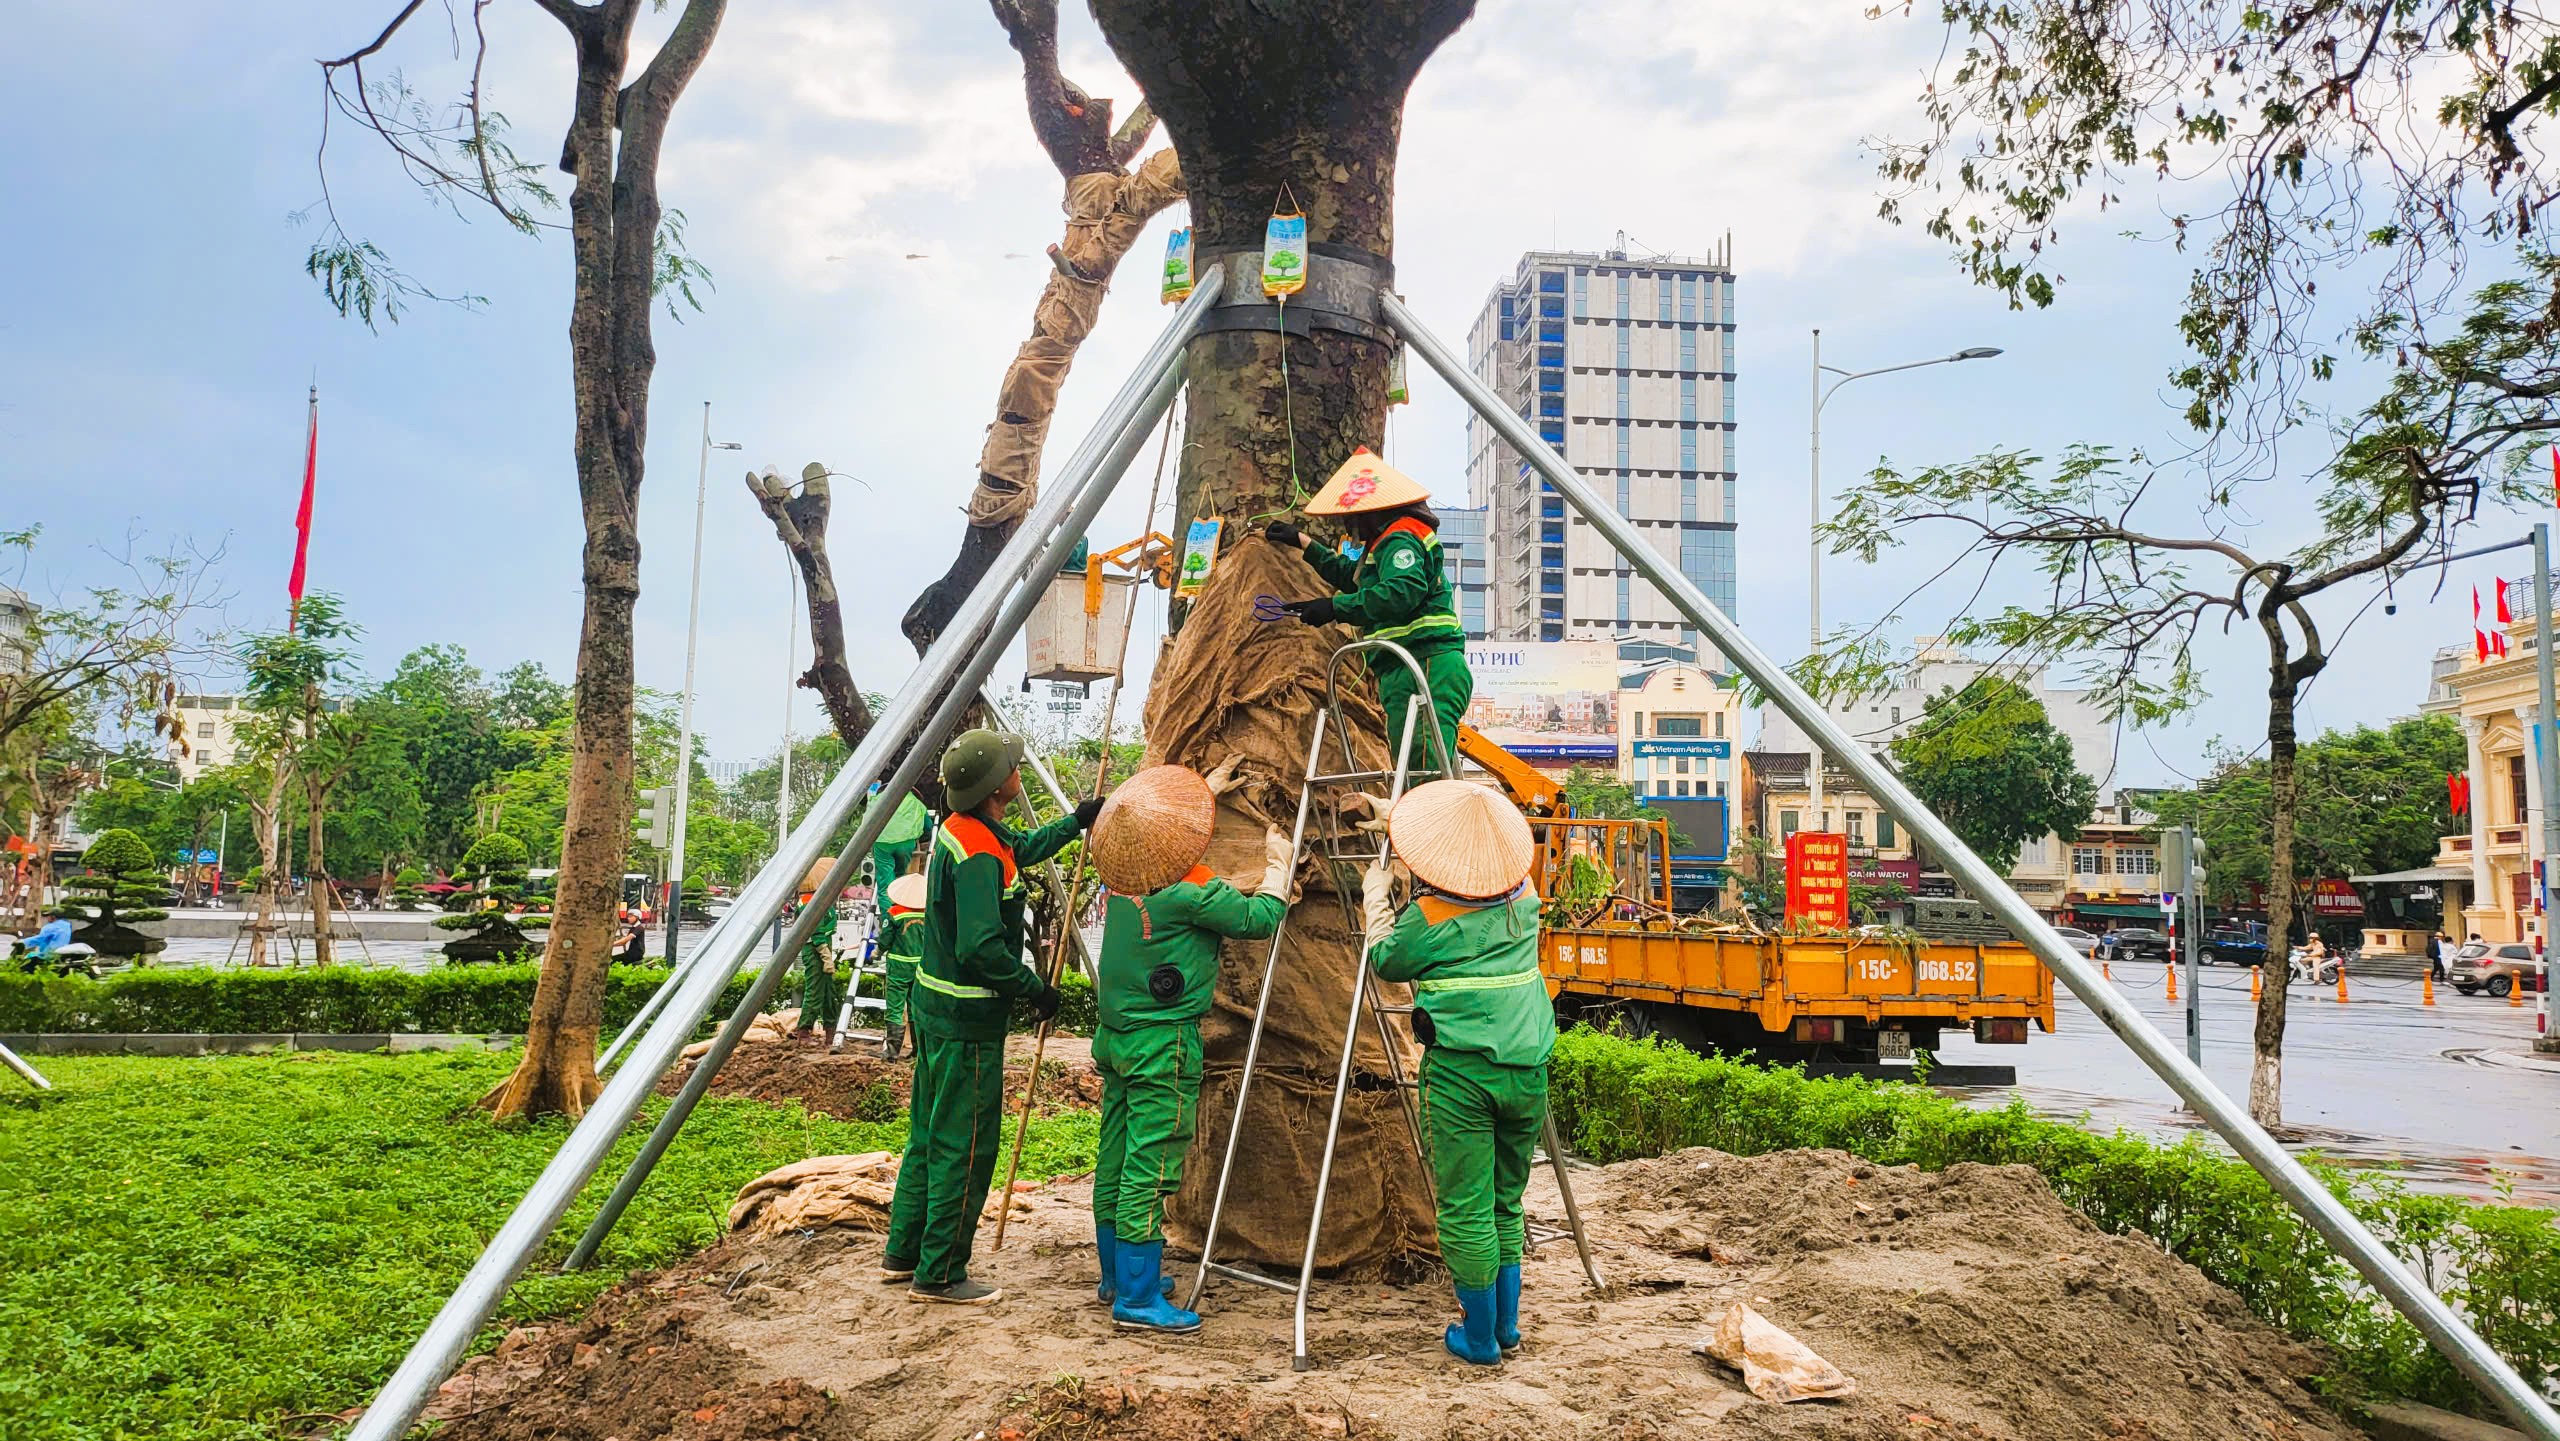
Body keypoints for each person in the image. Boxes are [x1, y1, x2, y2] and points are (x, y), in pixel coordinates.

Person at [882, 729, 1102, 1306]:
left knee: (927, 1135)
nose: (1018, 770)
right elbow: (982, 946)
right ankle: (942, 1273)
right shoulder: (977, 850)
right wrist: (1035, 989)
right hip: (966, 1020)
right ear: (992, 785)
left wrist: (1075, 822)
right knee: (966, 1143)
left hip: (932, 1008)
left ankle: (903, 1254)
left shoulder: (967, 831)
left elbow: (1020, 850)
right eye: (1012, 766)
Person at [1082, 763, 1293, 1334]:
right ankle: (1138, 1299)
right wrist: (1279, 862)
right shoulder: (1192, 891)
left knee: (1117, 1156)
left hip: (1118, 1040)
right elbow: (1259, 917)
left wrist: (1202, 791)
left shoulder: (1121, 882)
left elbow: (1158, 833)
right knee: (1150, 1167)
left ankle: (1117, 1277)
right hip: (1162, 1047)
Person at [1360, 779, 1551, 1366]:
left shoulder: (1428, 917)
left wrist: (1375, 897)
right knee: (1505, 1203)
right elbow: (1488, 871)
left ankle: (1477, 1338)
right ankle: (1507, 1329)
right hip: (1529, 1069)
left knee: (1465, 1207)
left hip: (1464, 1077)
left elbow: (1386, 959)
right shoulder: (1524, 897)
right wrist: (1399, 820)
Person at [1266, 449, 1472, 773]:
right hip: (1406, 666)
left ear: (1370, 512)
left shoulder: (1400, 537)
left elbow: (1400, 591)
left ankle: (1424, 824)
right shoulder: (1385, 546)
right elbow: (1357, 578)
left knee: (1422, 768)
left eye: (1351, 518)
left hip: (1424, 663)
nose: (1348, 528)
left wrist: (1335, 607)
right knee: (1413, 765)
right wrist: (1306, 544)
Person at [791, 861, 845, 1042]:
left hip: (823, 946)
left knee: (829, 990)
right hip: (815, 949)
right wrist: (825, 955)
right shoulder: (809, 902)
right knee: (815, 990)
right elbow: (817, 932)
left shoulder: (819, 899)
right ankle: (804, 1029)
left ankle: (831, 1028)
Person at [880, 872, 926, 1060]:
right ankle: (918, 1050)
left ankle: (892, 1052)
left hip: (898, 967)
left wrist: (877, 951)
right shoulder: (929, 913)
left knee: (895, 1007)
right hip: (921, 967)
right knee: (917, 1007)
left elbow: (885, 939)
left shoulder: (895, 914)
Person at [872, 783, 932, 891]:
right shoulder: (915, 806)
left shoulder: (879, 808)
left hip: (883, 845)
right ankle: (901, 904)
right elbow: (928, 828)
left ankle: (888, 907)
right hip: (906, 846)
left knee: (886, 882)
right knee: (904, 879)